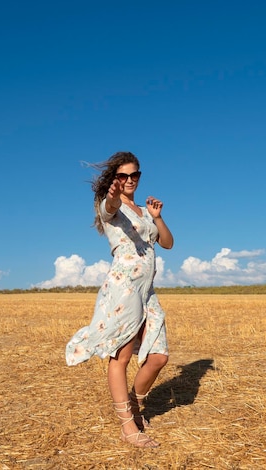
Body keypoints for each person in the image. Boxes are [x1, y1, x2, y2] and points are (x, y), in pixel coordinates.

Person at [65, 151, 174, 448]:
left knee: (158, 357)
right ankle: (128, 425)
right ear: (114, 179)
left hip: (147, 290)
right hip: (123, 289)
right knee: (121, 357)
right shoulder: (109, 207)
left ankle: (135, 404)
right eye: (122, 176)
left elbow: (167, 243)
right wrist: (112, 196)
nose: (129, 180)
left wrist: (157, 218)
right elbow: (110, 205)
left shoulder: (143, 210)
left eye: (134, 175)